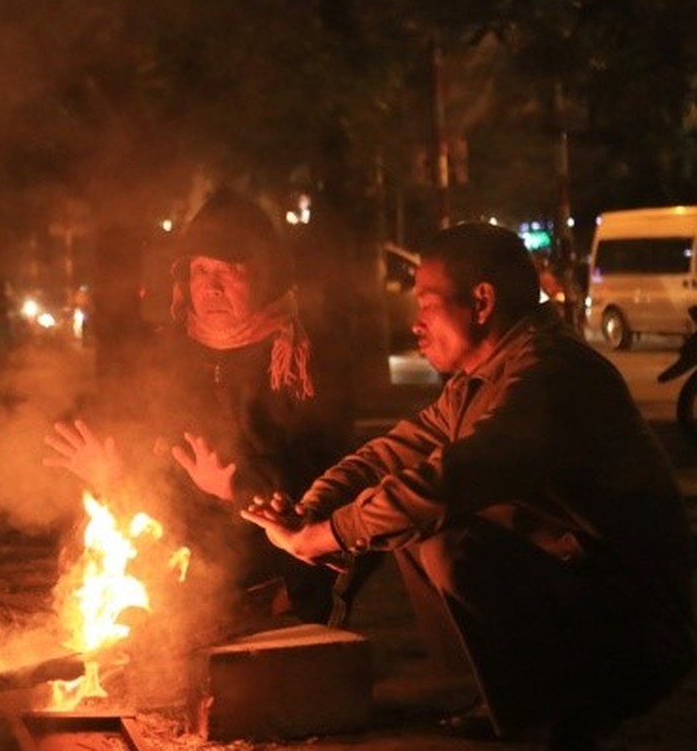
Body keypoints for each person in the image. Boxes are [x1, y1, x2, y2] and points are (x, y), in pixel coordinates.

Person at [242, 222, 695, 746]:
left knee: (441, 533)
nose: (416, 325)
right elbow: (387, 455)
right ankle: (496, 698)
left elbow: (445, 483)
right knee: (413, 521)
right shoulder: (476, 385)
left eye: (428, 305)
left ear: (481, 302)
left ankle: (545, 721)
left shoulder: (552, 375)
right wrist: (312, 507)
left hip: (636, 634)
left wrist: (324, 536)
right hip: (584, 604)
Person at [45, 188, 350, 629]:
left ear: (266, 274)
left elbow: (330, 477)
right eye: (200, 269)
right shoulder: (165, 357)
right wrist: (113, 474)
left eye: (229, 270)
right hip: (181, 553)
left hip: (271, 557)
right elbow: (153, 478)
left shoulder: (301, 360)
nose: (211, 285)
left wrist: (234, 487)